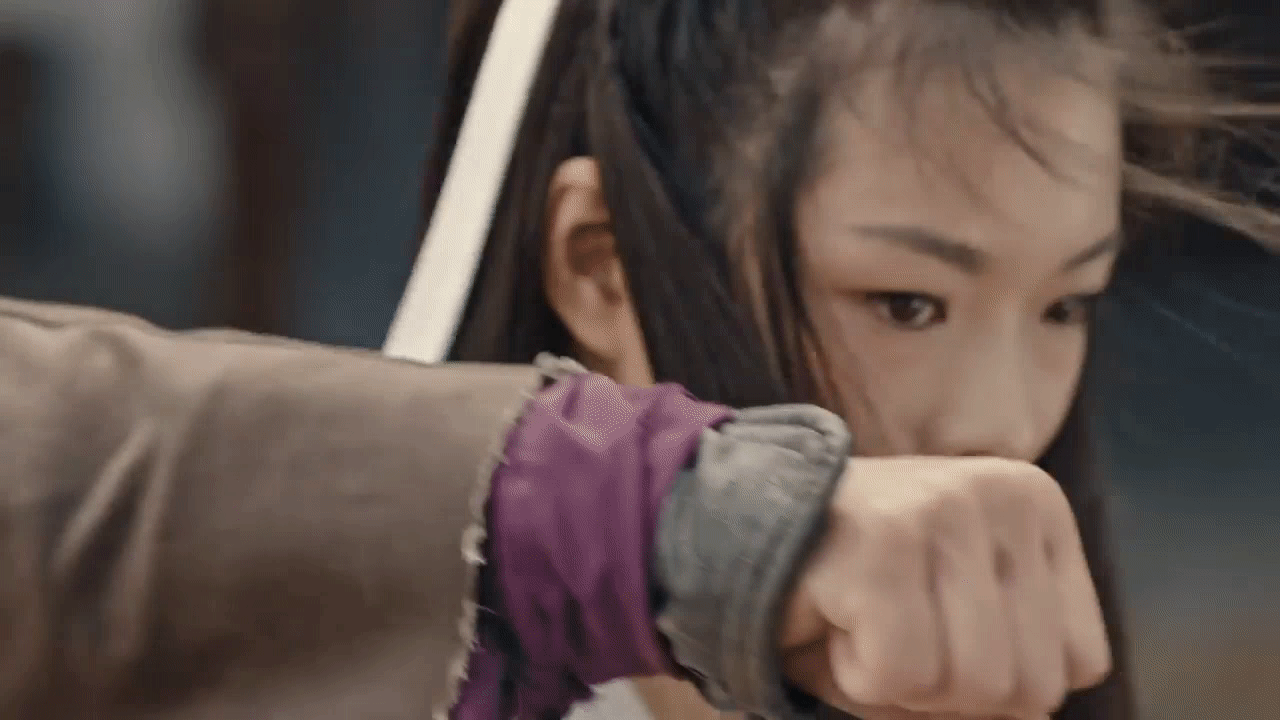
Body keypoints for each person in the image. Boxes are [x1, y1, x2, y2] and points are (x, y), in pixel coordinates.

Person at [418, 1, 1280, 720]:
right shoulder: (379, 666)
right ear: (601, 266)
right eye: (906, 305)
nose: (1005, 430)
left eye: (1066, 306)